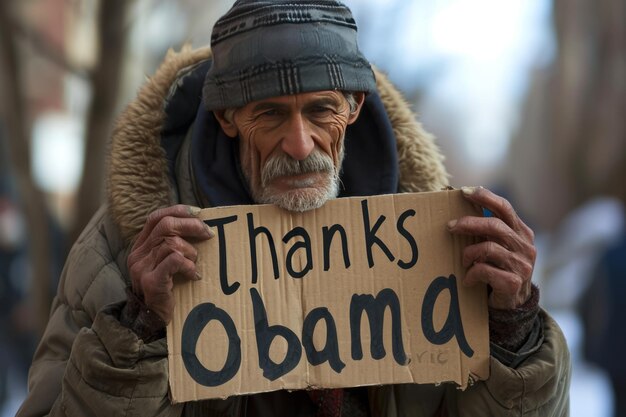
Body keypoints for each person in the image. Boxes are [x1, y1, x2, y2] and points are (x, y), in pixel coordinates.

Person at [17, 1, 570, 415]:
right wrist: (136, 332)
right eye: (271, 115)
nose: (300, 144)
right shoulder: (126, 251)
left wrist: (513, 332)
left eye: (321, 110)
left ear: (354, 108)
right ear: (228, 119)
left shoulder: (434, 245)